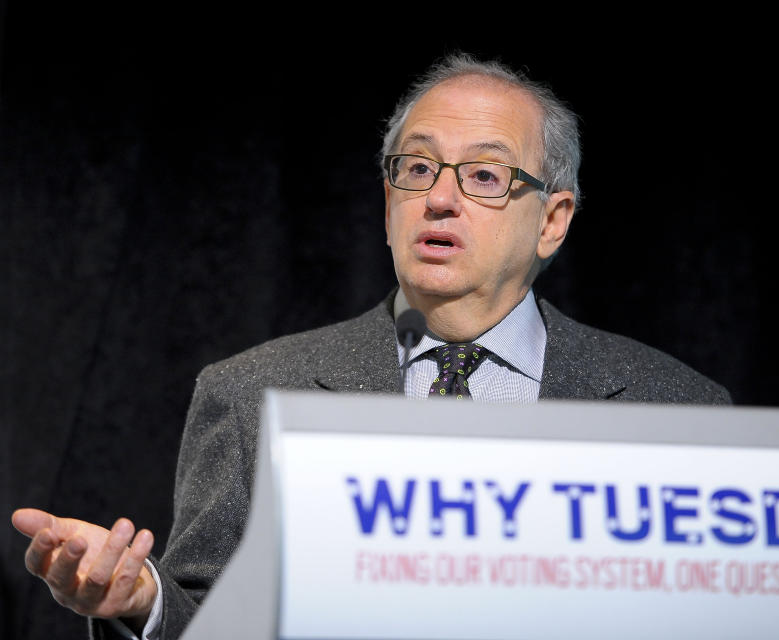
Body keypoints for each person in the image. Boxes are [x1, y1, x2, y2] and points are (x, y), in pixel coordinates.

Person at [11, 53, 730, 639]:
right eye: (416, 169)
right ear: (388, 204)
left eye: (483, 175)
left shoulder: (677, 406)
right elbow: (211, 621)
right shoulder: (249, 394)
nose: (438, 199)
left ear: (552, 219)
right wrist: (146, 602)